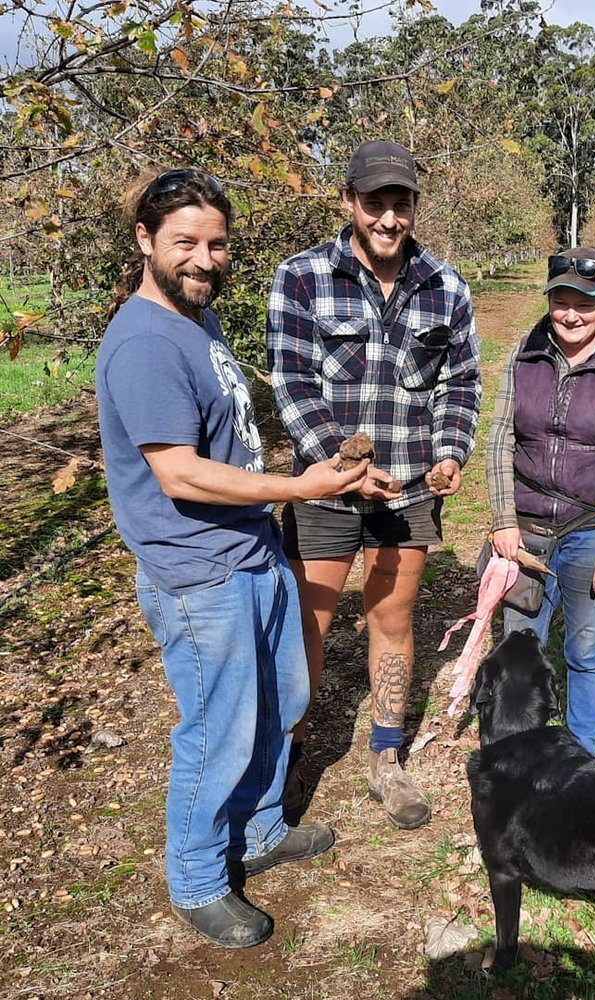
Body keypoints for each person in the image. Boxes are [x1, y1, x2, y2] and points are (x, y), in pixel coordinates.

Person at [96, 169, 369, 948]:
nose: (205, 258)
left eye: (216, 243)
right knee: (220, 726)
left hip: (250, 547)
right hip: (197, 569)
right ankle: (197, 876)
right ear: (145, 240)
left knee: (279, 703)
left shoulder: (195, 317)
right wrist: (299, 485)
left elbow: (223, 438)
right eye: (185, 242)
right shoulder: (145, 341)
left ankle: (256, 830)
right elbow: (177, 470)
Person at [267, 140, 481, 830]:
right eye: (375, 202)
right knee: (309, 625)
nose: (389, 217)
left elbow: (459, 383)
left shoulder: (445, 287)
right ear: (348, 202)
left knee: (392, 619)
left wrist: (450, 453)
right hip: (328, 488)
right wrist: (340, 463)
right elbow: (293, 383)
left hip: (408, 490)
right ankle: (284, 765)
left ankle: (386, 759)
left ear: (415, 206)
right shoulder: (301, 277)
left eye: (401, 203)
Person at [486, 247, 595, 756]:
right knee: (520, 648)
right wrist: (503, 520)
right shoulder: (525, 354)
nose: (571, 314)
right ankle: (517, 752)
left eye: (584, 303)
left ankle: (581, 755)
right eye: (561, 300)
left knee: (586, 648)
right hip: (528, 530)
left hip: (591, 527)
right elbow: (500, 439)